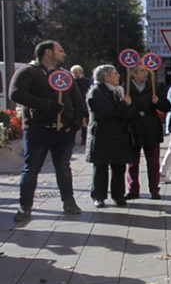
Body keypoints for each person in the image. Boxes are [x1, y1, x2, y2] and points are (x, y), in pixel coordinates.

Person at [10, 40, 86, 221]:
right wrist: (48, 106)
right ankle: (25, 206)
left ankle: (69, 202)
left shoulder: (64, 75)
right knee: (31, 169)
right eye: (60, 50)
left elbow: (78, 102)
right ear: (48, 52)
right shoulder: (28, 72)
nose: (64, 54)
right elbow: (16, 94)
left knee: (63, 168)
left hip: (63, 131)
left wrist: (74, 123)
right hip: (37, 130)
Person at [86, 64, 136, 208]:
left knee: (119, 168)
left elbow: (128, 112)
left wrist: (129, 106)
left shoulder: (119, 92)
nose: (118, 76)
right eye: (115, 74)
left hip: (119, 136)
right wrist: (122, 105)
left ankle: (118, 196)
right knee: (101, 168)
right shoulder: (95, 92)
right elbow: (104, 112)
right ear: (106, 77)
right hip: (102, 136)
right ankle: (99, 196)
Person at [125, 63, 171, 200]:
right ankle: (133, 189)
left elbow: (167, 106)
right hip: (133, 128)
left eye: (146, 71)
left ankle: (154, 189)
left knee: (153, 162)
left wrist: (158, 102)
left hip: (151, 128)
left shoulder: (153, 87)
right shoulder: (126, 88)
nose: (145, 73)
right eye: (141, 71)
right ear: (133, 74)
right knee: (132, 162)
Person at [70, 65, 92, 147]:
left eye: (77, 72)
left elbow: (85, 89)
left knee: (83, 122)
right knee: (73, 121)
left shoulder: (85, 81)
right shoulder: (72, 81)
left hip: (83, 103)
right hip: (74, 104)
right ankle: (73, 140)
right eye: (74, 73)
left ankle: (84, 139)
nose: (75, 74)